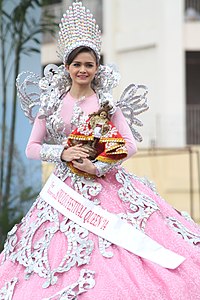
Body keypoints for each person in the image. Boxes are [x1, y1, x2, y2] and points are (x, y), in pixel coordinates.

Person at [0, 2, 200, 299]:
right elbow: (32, 148)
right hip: (64, 190)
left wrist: (100, 166)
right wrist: (62, 153)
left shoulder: (107, 104)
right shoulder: (51, 104)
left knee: (118, 256)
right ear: (67, 67)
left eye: (89, 64)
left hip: (107, 185)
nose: (83, 70)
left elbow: (129, 145)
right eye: (77, 64)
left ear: (97, 67)